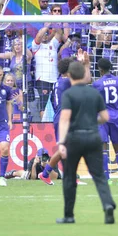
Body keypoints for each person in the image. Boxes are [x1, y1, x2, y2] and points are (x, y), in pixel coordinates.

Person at [56, 61, 116, 224]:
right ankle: (108, 204)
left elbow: (64, 119)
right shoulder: (94, 93)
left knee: (69, 177)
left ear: (69, 76)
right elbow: (105, 117)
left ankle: (69, 215)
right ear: (84, 75)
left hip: (74, 138)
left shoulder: (68, 94)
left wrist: (61, 143)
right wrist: (91, 122)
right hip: (93, 137)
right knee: (99, 175)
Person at [39, 58, 86, 187]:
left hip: (61, 117)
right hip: (64, 119)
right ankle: (47, 174)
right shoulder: (66, 82)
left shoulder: (58, 82)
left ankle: (46, 174)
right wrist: (83, 64)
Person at [93, 58, 118, 186]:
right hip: (115, 118)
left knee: (103, 149)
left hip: (102, 118)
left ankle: (107, 179)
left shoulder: (97, 84)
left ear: (100, 69)